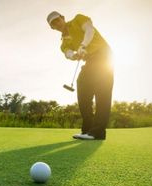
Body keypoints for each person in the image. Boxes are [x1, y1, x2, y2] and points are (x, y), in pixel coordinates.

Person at [47, 11, 114, 140]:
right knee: (82, 86)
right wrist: (75, 54)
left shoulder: (78, 19)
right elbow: (67, 53)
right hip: (90, 60)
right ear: (52, 28)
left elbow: (89, 30)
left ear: (63, 18)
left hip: (104, 55)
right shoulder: (64, 43)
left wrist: (83, 45)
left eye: (57, 20)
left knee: (102, 92)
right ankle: (88, 129)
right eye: (53, 24)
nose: (57, 24)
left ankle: (98, 132)